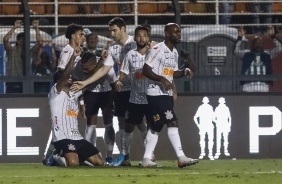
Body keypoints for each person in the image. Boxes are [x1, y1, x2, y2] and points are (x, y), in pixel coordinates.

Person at [71, 17, 147, 165]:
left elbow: (152, 48)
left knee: (140, 123)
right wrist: (85, 83)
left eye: (114, 30)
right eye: (110, 30)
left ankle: (149, 155)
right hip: (122, 89)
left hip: (139, 88)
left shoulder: (136, 42)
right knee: (122, 123)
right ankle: (126, 157)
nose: (112, 33)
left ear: (123, 28)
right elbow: (105, 69)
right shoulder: (113, 48)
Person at [140, 23, 199, 168]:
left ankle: (146, 159)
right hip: (155, 93)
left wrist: (184, 71)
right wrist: (161, 79)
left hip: (165, 93)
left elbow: (171, 73)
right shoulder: (157, 49)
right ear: (167, 33)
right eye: (176, 32)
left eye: (179, 32)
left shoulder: (174, 52)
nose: (179, 34)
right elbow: (146, 69)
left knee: (156, 126)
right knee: (172, 121)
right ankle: (181, 157)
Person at [48, 46, 104, 167]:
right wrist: (73, 57)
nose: (70, 77)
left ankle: (78, 156)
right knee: (73, 163)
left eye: (70, 76)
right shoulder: (55, 92)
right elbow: (65, 75)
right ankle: (56, 156)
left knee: (99, 162)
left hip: (77, 138)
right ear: (59, 81)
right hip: (62, 138)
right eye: (66, 77)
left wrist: (101, 61)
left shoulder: (75, 91)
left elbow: (91, 80)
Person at [112, 25, 151, 166]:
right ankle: (124, 155)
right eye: (139, 35)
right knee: (129, 125)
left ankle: (148, 156)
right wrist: (118, 81)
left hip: (152, 96)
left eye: (144, 35)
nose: (142, 38)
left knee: (152, 127)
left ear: (148, 38)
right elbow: (123, 72)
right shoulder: (130, 55)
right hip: (135, 97)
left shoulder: (154, 52)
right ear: (135, 38)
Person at [73, 50, 117, 166]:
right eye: (83, 68)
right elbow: (78, 84)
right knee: (90, 123)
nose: (84, 71)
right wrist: (81, 103)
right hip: (90, 92)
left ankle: (109, 156)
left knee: (108, 123)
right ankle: (88, 156)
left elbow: (114, 86)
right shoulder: (79, 66)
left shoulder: (108, 67)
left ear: (94, 65)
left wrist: (114, 102)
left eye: (87, 69)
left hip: (106, 93)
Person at [233, 26, 282, 92]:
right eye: (256, 42)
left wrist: (273, 36)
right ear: (252, 44)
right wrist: (240, 38)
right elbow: (235, 51)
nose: (258, 44)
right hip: (248, 85)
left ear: (262, 44)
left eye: (260, 43)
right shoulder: (246, 54)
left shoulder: (267, 54)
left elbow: (279, 48)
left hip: (263, 85)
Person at [3, 19, 41, 93]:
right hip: (12, 84)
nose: (25, 41)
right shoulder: (12, 50)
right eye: (23, 39)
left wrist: (36, 28)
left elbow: (40, 43)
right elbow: (5, 40)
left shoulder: (29, 52)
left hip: (24, 85)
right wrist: (14, 27)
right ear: (18, 41)